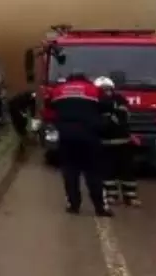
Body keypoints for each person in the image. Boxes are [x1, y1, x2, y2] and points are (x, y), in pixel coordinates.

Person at [47, 71, 112, 217]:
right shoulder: (93, 90)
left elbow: (49, 107)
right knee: (93, 173)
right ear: (85, 79)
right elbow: (108, 106)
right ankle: (100, 207)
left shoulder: (58, 90)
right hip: (89, 136)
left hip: (66, 137)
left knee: (70, 171)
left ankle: (73, 205)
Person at [96, 76, 140, 207]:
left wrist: (110, 114)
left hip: (123, 142)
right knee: (107, 172)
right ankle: (111, 195)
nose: (106, 92)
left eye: (108, 89)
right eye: (102, 90)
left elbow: (124, 116)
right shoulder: (94, 102)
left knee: (127, 171)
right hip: (104, 143)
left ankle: (130, 197)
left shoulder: (119, 100)